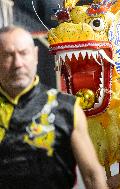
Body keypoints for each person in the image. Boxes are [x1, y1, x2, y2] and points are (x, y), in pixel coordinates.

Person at [0, 26, 108, 189]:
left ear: (36, 55)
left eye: (23, 53)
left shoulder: (66, 108)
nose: (18, 63)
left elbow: (92, 175)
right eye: (8, 55)